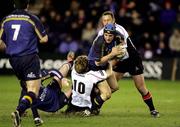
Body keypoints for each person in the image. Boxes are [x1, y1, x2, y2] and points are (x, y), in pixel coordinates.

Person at [97, 11, 160, 117]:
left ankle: (153, 110)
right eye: (104, 20)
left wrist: (108, 64)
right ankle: (96, 107)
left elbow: (122, 53)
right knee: (109, 86)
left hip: (132, 59)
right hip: (119, 60)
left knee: (140, 87)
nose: (106, 22)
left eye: (108, 20)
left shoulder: (120, 31)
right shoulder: (101, 33)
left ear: (113, 20)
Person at [0, 0, 48, 126]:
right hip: (29, 58)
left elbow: (0, 43)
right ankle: (19, 111)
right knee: (33, 90)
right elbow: (44, 39)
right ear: (27, 5)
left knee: (26, 87)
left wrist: (12, 46)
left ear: (14, 5)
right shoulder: (31, 18)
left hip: (13, 60)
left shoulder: (6, 19)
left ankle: (36, 118)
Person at [19, 51, 75, 126]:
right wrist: (24, 112)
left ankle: (70, 62)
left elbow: (53, 71)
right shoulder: (27, 95)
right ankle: (75, 107)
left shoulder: (34, 77)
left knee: (63, 68)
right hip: (56, 103)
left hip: (52, 89)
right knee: (74, 88)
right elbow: (32, 106)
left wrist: (61, 79)